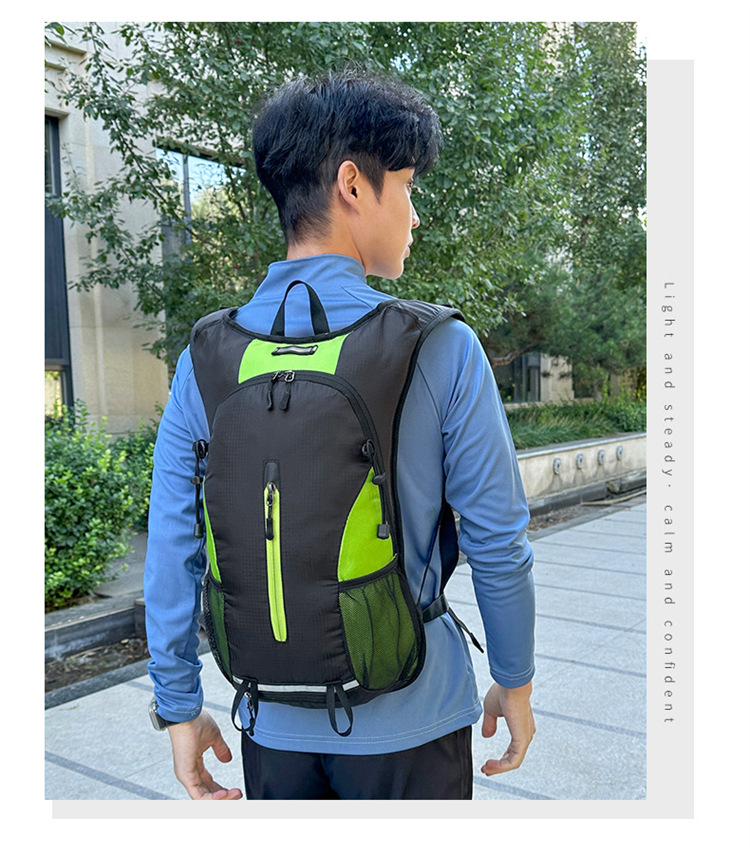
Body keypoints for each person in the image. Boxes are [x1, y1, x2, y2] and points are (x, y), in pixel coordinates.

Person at [144, 68, 536, 801]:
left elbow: (173, 542)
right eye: (408, 187)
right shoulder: (438, 346)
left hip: (271, 726)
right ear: (354, 185)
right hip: (414, 720)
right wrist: (514, 679)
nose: (414, 215)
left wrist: (178, 705)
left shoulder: (206, 356)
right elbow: (498, 540)